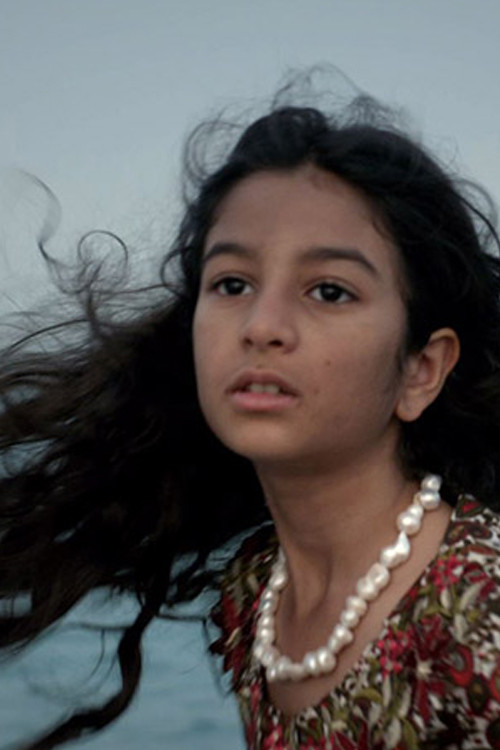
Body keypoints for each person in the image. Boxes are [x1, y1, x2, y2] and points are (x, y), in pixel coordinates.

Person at [2, 83, 500, 749]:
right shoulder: (256, 588)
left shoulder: (482, 610)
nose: (262, 326)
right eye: (232, 284)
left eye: (330, 291)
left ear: (421, 370)